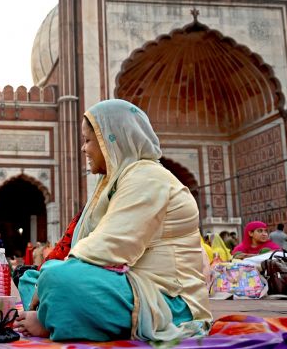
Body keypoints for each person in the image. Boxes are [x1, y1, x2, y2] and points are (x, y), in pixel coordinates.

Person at [14, 99, 211, 342]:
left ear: (111, 139)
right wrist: (46, 278)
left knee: (56, 279)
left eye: (88, 140)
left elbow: (113, 246)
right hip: (127, 284)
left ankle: (50, 318)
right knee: (31, 277)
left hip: (169, 301)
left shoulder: (147, 176)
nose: (83, 149)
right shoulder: (115, 181)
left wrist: (51, 278)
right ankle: (57, 313)